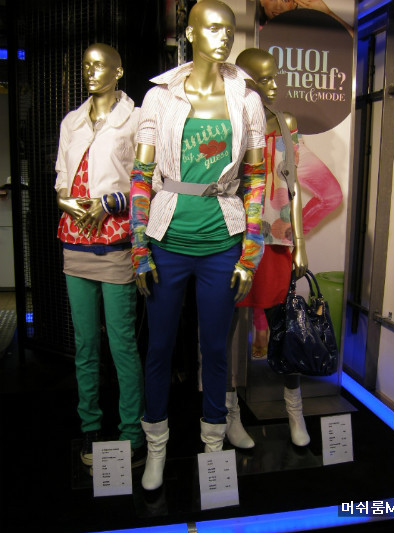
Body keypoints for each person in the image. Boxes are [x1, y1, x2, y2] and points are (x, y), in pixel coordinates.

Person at [130, 0, 266, 491]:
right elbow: (141, 175)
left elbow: (256, 179)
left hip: (222, 241)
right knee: (159, 348)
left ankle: (213, 449)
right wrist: (139, 248)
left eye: (228, 28)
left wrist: (250, 252)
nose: (222, 36)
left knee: (215, 348)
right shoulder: (159, 97)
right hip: (167, 239)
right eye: (211, 27)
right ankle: (157, 448)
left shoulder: (246, 99)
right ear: (189, 33)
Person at [55, 43, 145, 470]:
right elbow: (61, 178)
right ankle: (90, 425)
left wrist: (111, 201)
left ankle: (132, 433)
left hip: (114, 240)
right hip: (75, 240)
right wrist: (64, 202)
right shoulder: (71, 122)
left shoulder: (136, 118)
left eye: (99, 65)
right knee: (86, 344)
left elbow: (149, 179)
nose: (90, 71)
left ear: (118, 70)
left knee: (122, 344)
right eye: (86, 65)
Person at [236, 47, 311, 447]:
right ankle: (229, 414)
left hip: (277, 240)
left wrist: (299, 242)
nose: (272, 86)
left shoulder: (286, 123)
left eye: (273, 77)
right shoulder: (229, 122)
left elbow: (293, 186)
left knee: (286, 329)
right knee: (228, 333)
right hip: (234, 239)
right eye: (262, 79)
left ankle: (294, 411)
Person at [259, 0, 353, 36]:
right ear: (262, 1)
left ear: (295, 4)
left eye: (286, 0)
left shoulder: (308, 31)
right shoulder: (255, 33)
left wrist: (327, 13)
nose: (278, 6)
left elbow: (352, 38)